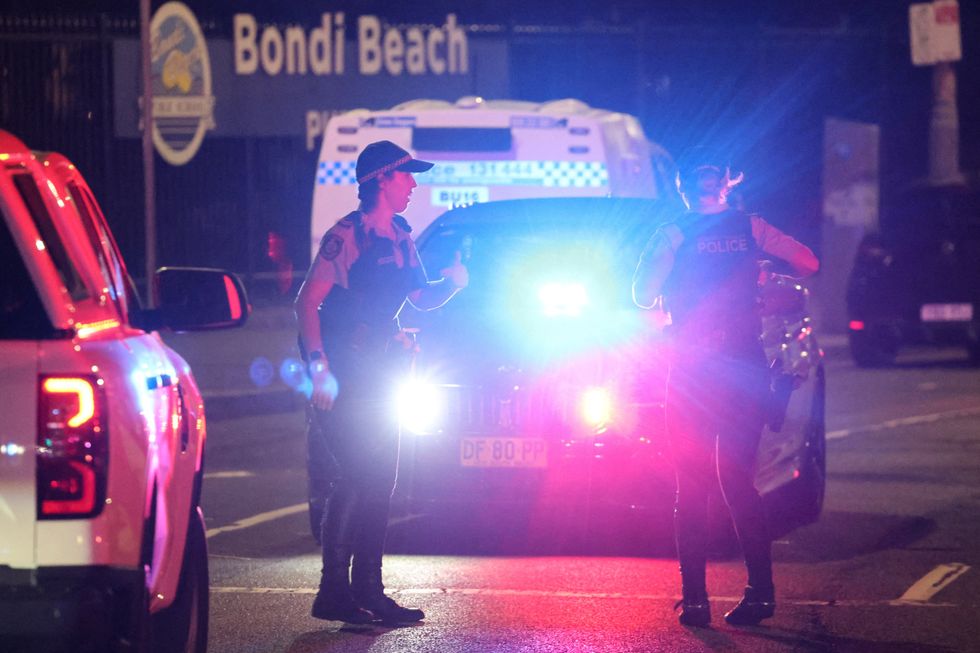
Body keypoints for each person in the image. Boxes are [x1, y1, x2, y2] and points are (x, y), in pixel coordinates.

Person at [632, 154, 819, 627]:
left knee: (691, 486)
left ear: (682, 189)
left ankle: (696, 602)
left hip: (693, 374)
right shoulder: (752, 227)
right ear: (726, 185)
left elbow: (640, 294)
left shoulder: (672, 233)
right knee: (737, 482)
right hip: (742, 370)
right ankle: (761, 594)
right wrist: (761, 272)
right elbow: (808, 262)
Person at [295, 140, 468, 624]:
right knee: (357, 475)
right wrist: (319, 368)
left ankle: (369, 592)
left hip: (379, 371)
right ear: (381, 180)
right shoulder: (348, 235)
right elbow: (307, 303)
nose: (413, 184)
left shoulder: (400, 235)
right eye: (406, 176)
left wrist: (453, 283)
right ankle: (334, 592)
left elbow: (420, 298)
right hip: (343, 370)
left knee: (381, 480)